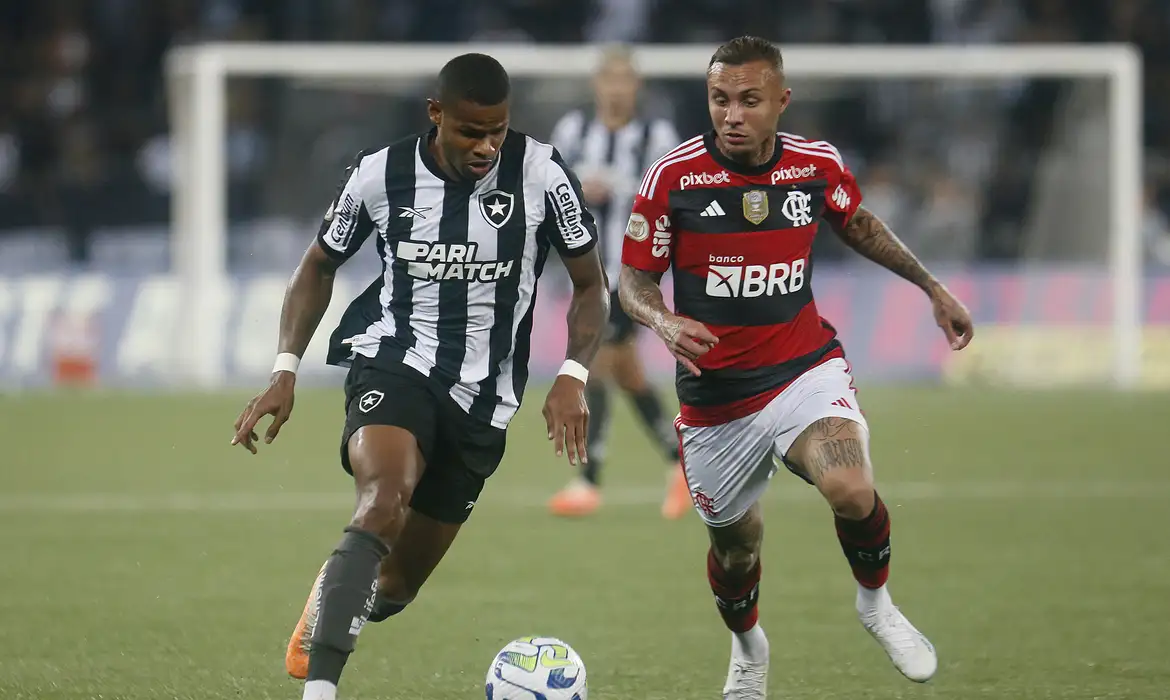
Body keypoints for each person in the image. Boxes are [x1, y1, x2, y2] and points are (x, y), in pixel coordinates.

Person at [230, 53, 608, 700]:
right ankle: (320, 691)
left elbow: (589, 284)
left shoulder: (542, 174)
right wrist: (284, 369)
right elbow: (318, 264)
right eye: (470, 131)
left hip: (485, 398)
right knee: (382, 501)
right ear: (437, 114)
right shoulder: (381, 174)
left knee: (395, 589)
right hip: (395, 361)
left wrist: (573, 373)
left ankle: (337, 591)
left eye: (497, 130)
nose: (487, 145)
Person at [618, 37, 974, 698]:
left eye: (749, 100)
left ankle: (876, 606)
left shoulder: (813, 166)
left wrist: (932, 287)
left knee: (850, 488)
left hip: (802, 369)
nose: (732, 114)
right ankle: (749, 648)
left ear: (781, 100)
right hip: (715, 401)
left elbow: (858, 223)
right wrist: (662, 320)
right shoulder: (674, 177)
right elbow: (632, 281)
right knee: (737, 548)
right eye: (720, 99)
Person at [545, 44, 691, 519]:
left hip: (632, 269)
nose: (616, 89)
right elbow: (545, 184)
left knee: (602, 363)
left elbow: (673, 190)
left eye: (624, 80)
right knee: (624, 370)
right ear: (597, 85)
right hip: (586, 269)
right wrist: (577, 187)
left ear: (636, 86)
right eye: (608, 80)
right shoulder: (572, 130)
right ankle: (681, 464)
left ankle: (589, 480)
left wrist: (620, 187)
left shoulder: (656, 134)